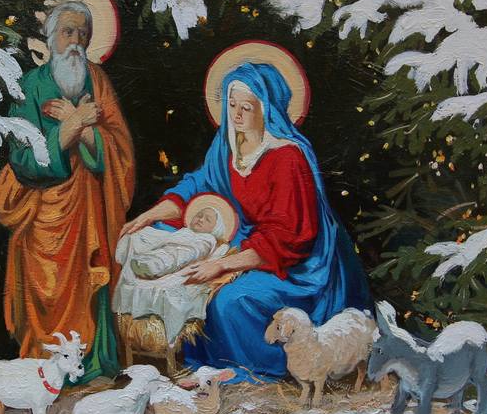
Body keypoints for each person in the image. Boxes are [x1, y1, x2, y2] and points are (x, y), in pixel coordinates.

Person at [119, 62, 371, 381]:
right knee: (160, 241)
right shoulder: (227, 145)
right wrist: (150, 215)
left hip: (291, 265)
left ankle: (252, 369)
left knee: (228, 300)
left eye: (246, 107)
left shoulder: (288, 157)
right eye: (232, 105)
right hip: (241, 242)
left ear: (267, 109)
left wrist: (223, 266)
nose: (236, 114)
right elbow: (198, 185)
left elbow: (288, 238)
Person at [0, 0, 134, 383]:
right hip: (42, 211)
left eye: (82, 34)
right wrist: (70, 129)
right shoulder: (30, 85)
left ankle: (92, 368)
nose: (75, 41)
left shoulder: (98, 81)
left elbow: (120, 150)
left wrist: (82, 128)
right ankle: (44, 370)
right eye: (68, 32)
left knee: (89, 283)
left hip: (89, 207)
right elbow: (21, 158)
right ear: (51, 37)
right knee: (45, 292)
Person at [126, 206, 228, 279]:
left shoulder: (207, 239)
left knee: (176, 255)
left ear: (215, 228)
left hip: (182, 252)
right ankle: (146, 260)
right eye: (199, 215)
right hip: (169, 247)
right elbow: (169, 238)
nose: (201, 219)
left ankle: (155, 265)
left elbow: (195, 251)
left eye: (207, 219)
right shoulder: (185, 231)